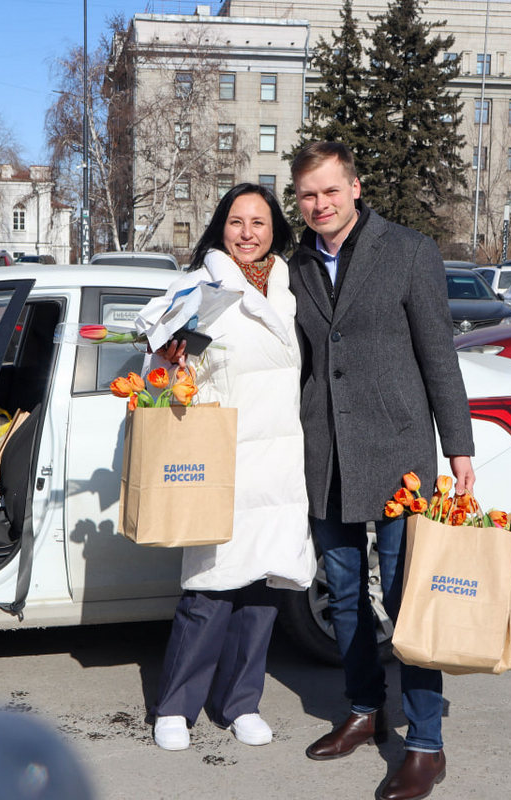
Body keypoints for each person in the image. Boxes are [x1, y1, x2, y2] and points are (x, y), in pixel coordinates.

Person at [287, 142, 477, 800]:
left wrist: (459, 449)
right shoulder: (299, 263)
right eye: (309, 195)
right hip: (329, 455)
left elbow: (439, 356)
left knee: (407, 600)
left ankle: (426, 742)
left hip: (398, 454)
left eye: (330, 191)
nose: (320, 204)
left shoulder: (409, 250)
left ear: (355, 188)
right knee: (344, 598)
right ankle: (365, 711)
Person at [140, 183, 316, 752]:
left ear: (276, 230)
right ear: (221, 227)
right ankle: (176, 706)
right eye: (237, 221)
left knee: (263, 589)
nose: (247, 233)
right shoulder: (200, 285)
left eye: (259, 222)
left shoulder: (292, 287)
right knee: (210, 587)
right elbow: (155, 367)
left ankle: (241, 703)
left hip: (282, 461)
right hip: (225, 454)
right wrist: (169, 358)